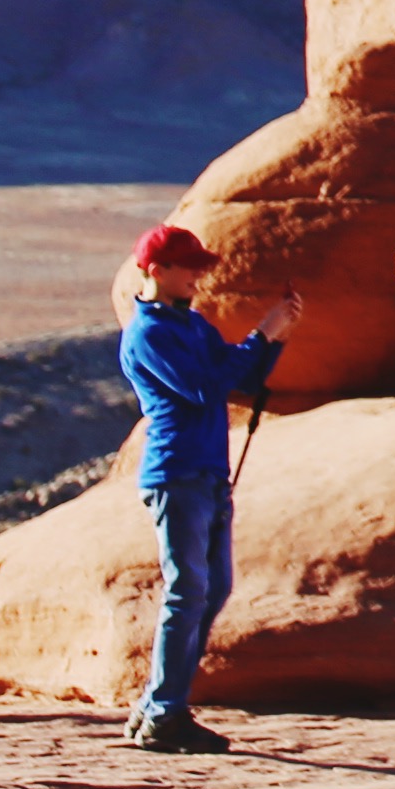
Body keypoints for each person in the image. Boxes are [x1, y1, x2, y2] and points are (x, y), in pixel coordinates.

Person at [116, 224, 287, 754]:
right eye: (188, 267)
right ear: (154, 270)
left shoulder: (192, 326)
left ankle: (157, 705)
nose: (198, 276)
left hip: (208, 472)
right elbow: (202, 387)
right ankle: (164, 711)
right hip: (177, 473)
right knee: (188, 588)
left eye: (199, 266)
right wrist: (261, 335)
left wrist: (273, 340)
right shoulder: (148, 333)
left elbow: (242, 378)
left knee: (211, 590)